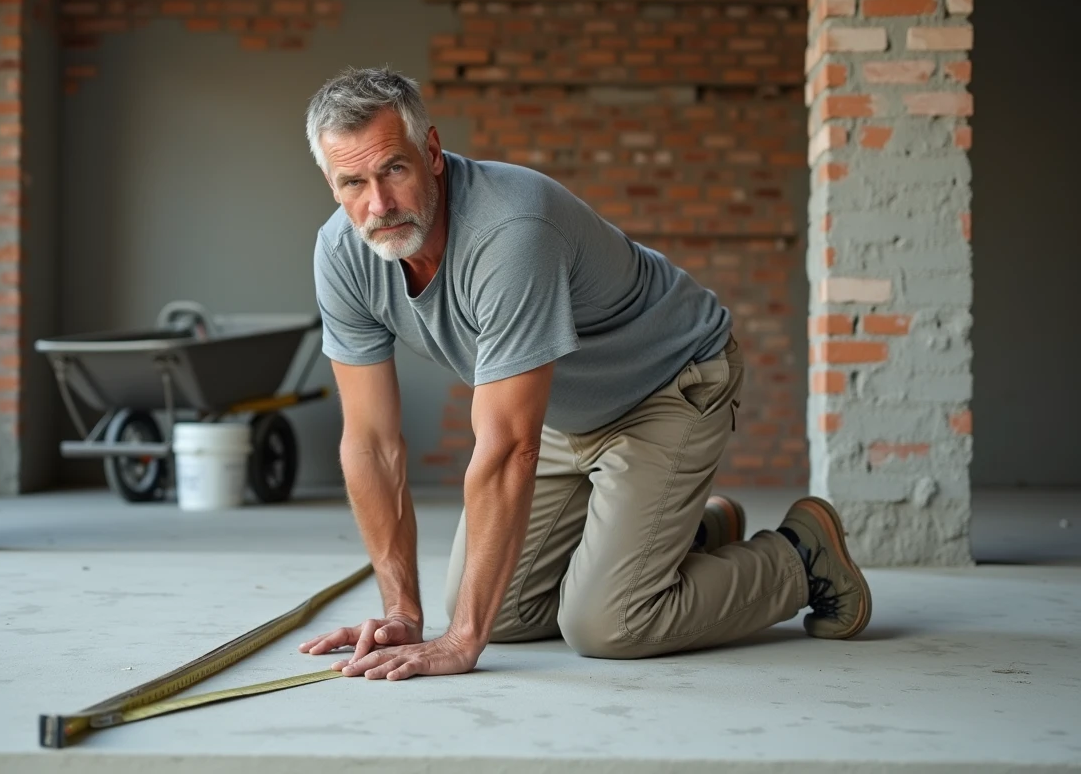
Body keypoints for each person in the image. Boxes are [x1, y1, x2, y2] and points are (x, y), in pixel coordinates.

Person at [296, 66, 871, 682]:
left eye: (395, 170)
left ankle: (804, 558)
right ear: (331, 184)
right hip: (562, 409)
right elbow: (373, 445)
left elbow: (510, 444)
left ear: (431, 152)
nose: (378, 205)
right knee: (506, 610)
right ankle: (691, 537)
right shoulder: (343, 256)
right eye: (353, 182)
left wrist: (463, 641)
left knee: (608, 623)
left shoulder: (509, 230)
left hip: (666, 384)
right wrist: (401, 613)